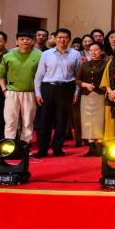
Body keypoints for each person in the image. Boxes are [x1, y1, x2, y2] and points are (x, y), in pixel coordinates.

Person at [32, 28, 81, 157]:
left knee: (62, 120)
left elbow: (78, 76)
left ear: (69, 39)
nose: (62, 40)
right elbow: (39, 75)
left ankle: (57, 148)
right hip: (48, 88)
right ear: (55, 38)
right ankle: (42, 149)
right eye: (59, 37)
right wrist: (38, 93)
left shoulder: (75, 54)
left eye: (65, 37)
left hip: (66, 88)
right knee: (44, 120)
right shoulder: (46, 54)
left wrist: (76, 92)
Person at [0, 31, 41, 144]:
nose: (25, 41)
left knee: (28, 122)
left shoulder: (39, 55)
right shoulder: (8, 55)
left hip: (30, 93)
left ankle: (24, 146)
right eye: (22, 39)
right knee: (10, 121)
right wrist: (4, 90)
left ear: (32, 41)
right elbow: (1, 75)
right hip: (12, 92)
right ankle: (9, 146)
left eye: (28, 39)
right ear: (17, 41)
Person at [76, 42, 107, 156]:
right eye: (91, 50)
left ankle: (100, 145)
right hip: (86, 96)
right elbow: (77, 80)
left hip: (101, 95)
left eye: (96, 50)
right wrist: (85, 85)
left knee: (100, 120)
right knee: (87, 120)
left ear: (101, 51)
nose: (94, 52)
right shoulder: (84, 65)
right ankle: (91, 146)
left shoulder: (106, 64)